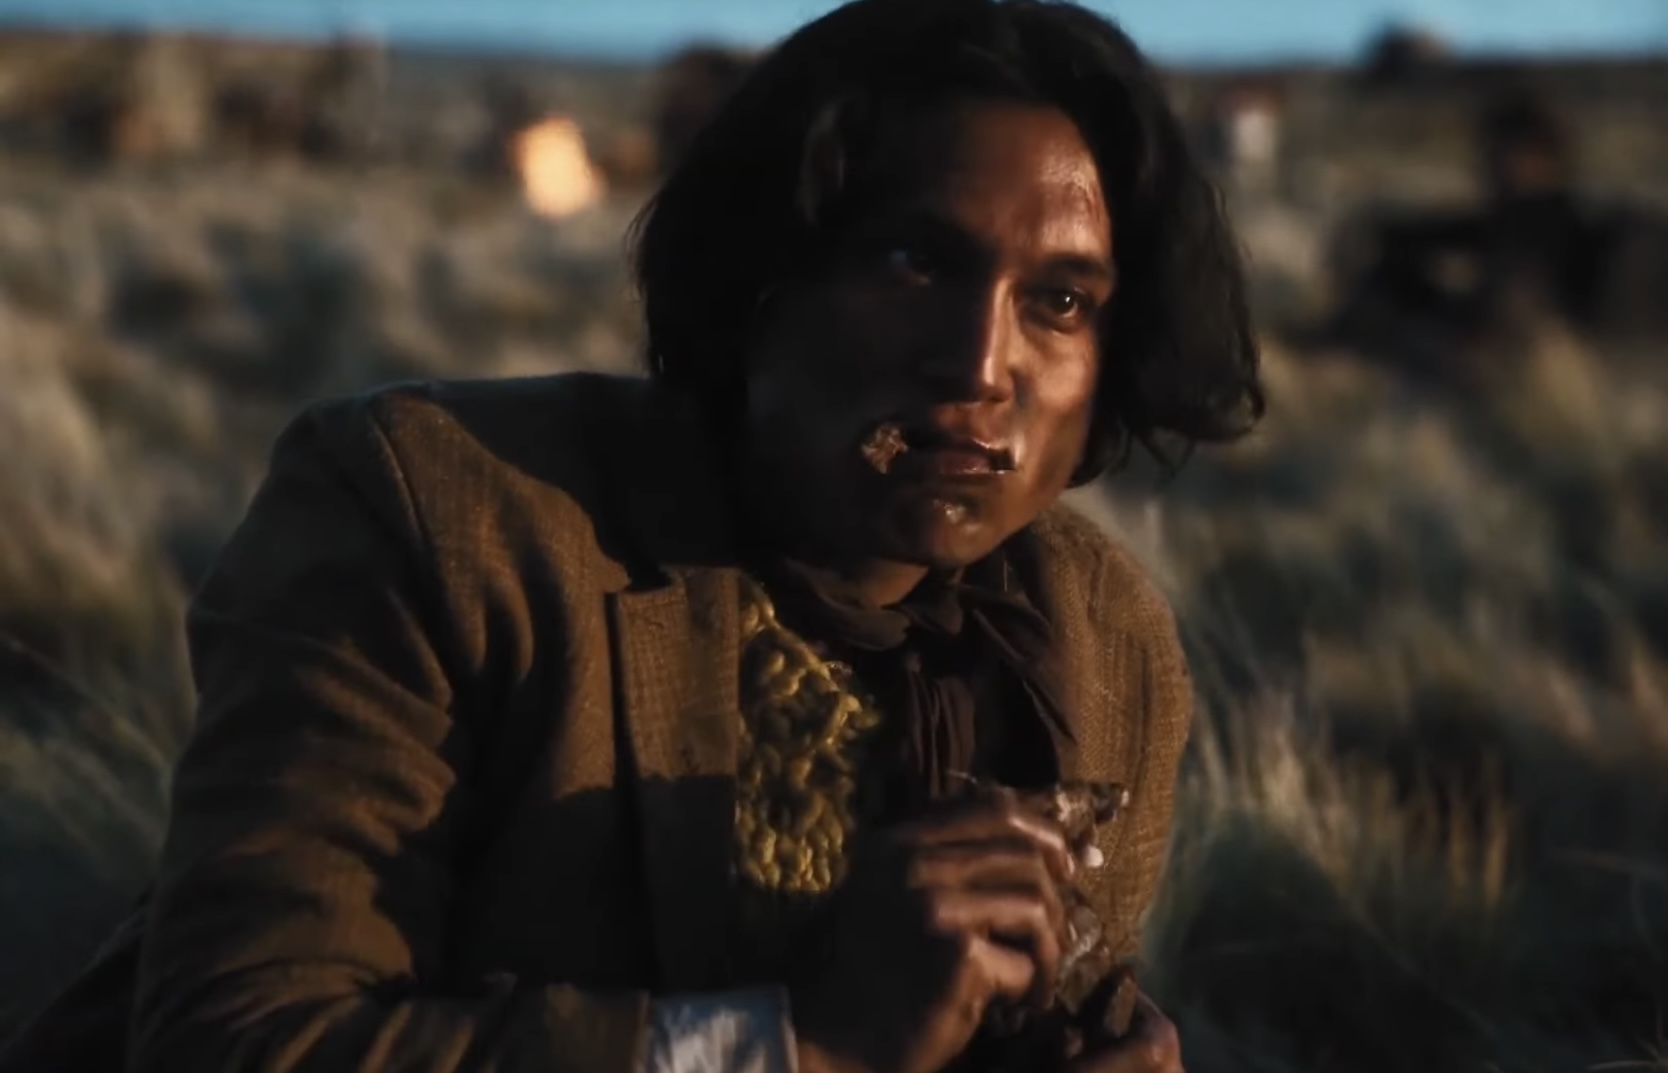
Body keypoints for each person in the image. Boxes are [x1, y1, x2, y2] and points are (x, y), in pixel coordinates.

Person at [0, 0, 1262, 1070]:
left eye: (1060, 301)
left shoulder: (1097, 640)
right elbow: (243, 1038)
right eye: (911, 261)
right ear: (765, 278)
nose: (980, 364)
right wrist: (796, 1043)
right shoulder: (440, 519)